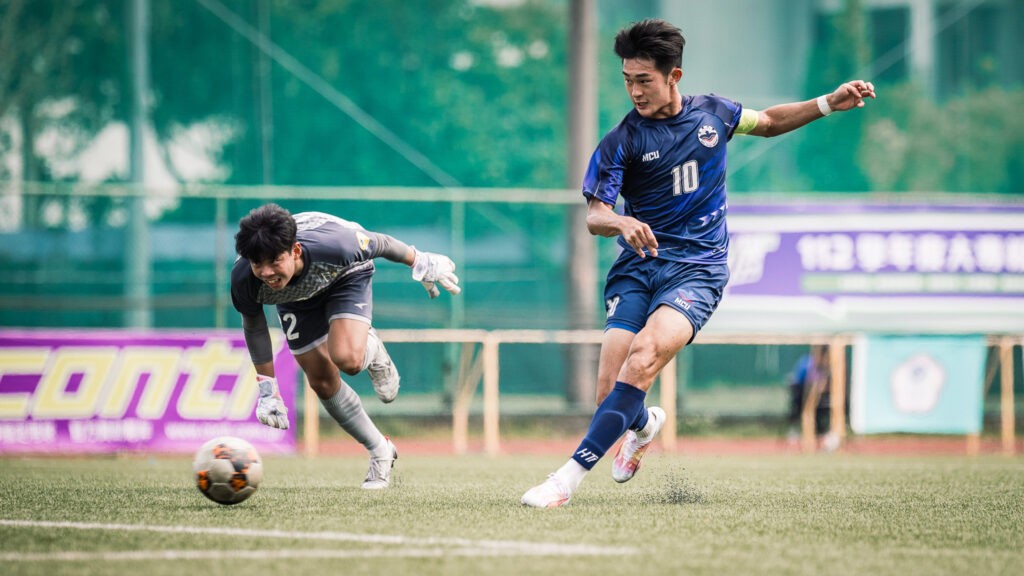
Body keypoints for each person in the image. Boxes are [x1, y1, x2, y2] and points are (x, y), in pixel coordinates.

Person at [521, 18, 875, 507]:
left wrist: (826, 104)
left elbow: (768, 122)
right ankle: (644, 425)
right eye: (627, 80)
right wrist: (621, 223)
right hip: (638, 267)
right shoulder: (621, 141)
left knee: (643, 355)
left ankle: (564, 481)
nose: (634, 91)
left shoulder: (714, 115)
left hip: (698, 269)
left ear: (674, 76)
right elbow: (595, 216)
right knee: (609, 394)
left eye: (643, 79)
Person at [231, 203, 460, 489]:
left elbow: (382, 243)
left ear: (296, 251)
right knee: (322, 383)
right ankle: (380, 450)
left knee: (348, 359)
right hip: (294, 298)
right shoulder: (244, 278)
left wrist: (420, 261)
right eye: (257, 264)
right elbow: (254, 326)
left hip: (345, 276)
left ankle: (372, 351)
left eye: (274, 261)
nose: (265, 272)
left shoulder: (338, 245)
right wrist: (267, 389)